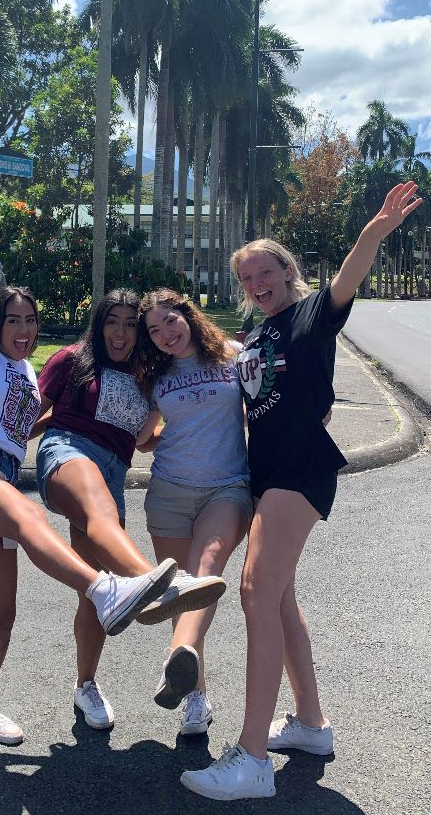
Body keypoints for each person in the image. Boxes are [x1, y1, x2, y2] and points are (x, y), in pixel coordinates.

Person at [181, 180, 422, 802]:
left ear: (288, 273)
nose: (257, 285)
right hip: (265, 475)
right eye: (247, 279)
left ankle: (252, 757)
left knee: (256, 593)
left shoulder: (311, 316)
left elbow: (347, 278)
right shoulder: (255, 336)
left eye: (266, 273)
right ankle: (311, 726)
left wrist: (376, 230)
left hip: (299, 470)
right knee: (280, 599)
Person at [0, 175, 180, 746]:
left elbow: (35, 422)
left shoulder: (24, 372)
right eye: (12, 320)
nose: (22, 329)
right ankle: (106, 589)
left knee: (1, 615)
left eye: (30, 321)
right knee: (31, 517)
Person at [34, 290, 227, 730]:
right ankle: (165, 585)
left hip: (113, 473)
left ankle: (85, 685)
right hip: (69, 453)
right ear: (98, 325)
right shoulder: (70, 359)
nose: (119, 333)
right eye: (111, 322)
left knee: (96, 589)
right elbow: (34, 417)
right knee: (102, 521)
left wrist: (193, 434)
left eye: (129, 324)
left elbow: (144, 437)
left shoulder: (146, 374)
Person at [134, 289, 252, 737]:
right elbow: (145, 438)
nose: (166, 334)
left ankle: (176, 656)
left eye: (171, 321)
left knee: (204, 574)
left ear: (188, 314)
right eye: (155, 330)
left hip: (228, 488)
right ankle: (196, 699)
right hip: (168, 494)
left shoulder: (233, 355)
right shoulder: (155, 377)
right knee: (183, 591)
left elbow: (264, 404)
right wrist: (176, 438)